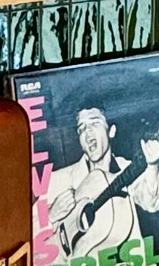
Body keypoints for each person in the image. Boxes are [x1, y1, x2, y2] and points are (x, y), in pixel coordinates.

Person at [46, 107, 130, 257]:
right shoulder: (58, 179)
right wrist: (50, 216)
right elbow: (26, 232)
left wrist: (153, 165)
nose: (87, 132)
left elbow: (151, 202)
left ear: (111, 131)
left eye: (94, 123)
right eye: (81, 128)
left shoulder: (128, 170)